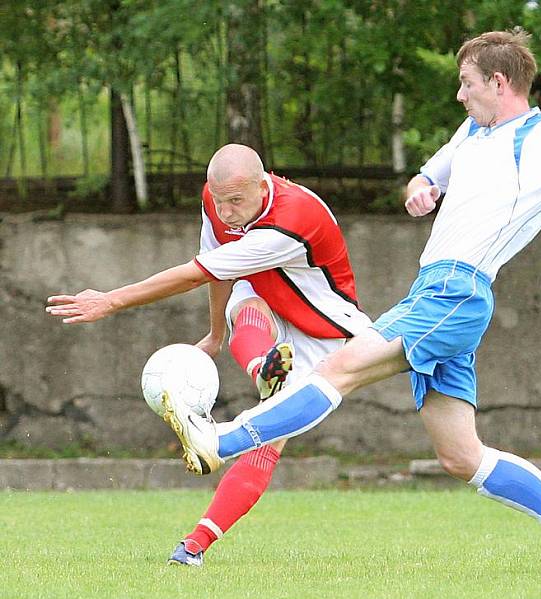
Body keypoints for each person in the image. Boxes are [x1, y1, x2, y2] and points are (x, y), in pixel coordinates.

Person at [55, 29, 541, 576]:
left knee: (339, 370)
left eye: (467, 84)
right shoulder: (477, 129)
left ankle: (222, 439)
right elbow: (446, 157)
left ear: (499, 82)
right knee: (460, 455)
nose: (459, 94)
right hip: (442, 294)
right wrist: (424, 186)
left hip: (456, 291)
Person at [46, 143, 372, 567]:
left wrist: (110, 301)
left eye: (237, 200)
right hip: (265, 291)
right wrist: (216, 335)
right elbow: (220, 266)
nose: (227, 211)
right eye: (220, 201)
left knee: (267, 441)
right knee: (246, 303)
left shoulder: (292, 219)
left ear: (263, 184)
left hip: (324, 328)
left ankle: (200, 535)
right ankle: (262, 371)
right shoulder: (217, 202)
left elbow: (193, 274)